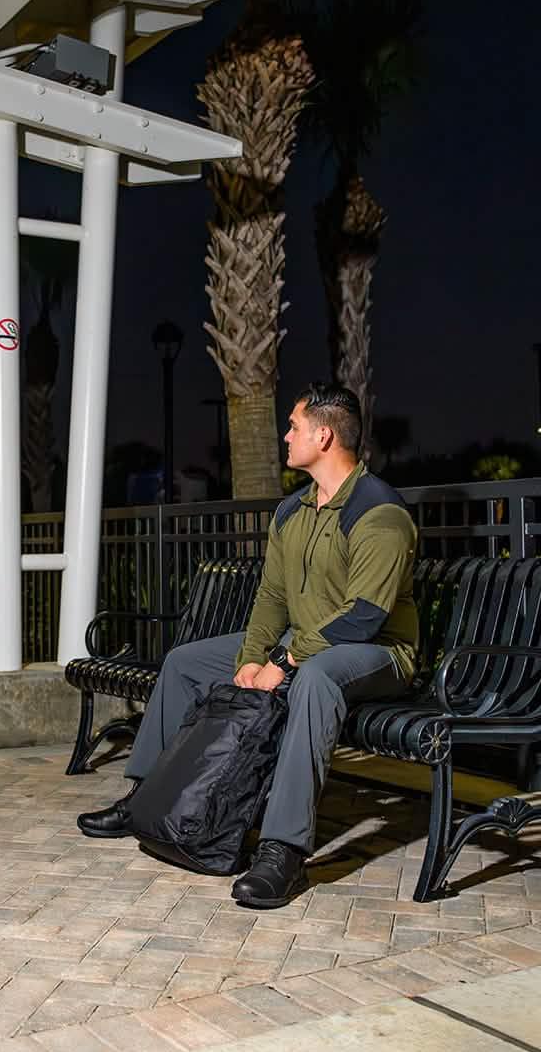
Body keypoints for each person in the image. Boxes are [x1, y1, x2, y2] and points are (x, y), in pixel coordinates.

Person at [77, 383, 418, 909]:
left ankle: (284, 850)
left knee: (315, 680)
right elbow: (272, 596)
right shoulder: (291, 511)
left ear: (324, 437)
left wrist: (283, 661)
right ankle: (146, 799)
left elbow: (364, 617)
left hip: (377, 652)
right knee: (185, 663)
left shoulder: (379, 512)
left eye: (294, 427)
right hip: (303, 641)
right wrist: (252, 658)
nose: (286, 436)